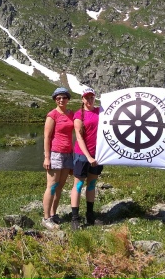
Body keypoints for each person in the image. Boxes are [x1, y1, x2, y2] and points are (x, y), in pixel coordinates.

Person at [70, 87, 103, 230]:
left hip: (98, 155)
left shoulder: (100, 111)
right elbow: (79, 138)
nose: (89, 100)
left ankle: (90, 215)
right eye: (86, 97)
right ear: (82, 99)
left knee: (92, 184)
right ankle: (75, 218)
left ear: (94, 98)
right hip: (82, 155)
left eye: (91, 97)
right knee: (78, 185)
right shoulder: (78, 115)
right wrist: (88, 157)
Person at [42, 87, 74, 230]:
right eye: (58, 98)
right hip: (55, 153)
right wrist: (47, 157)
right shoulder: (52, 115)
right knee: (52, 186)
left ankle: (53, 214)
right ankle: (46, 218)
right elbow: (47, 137)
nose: (61, 100)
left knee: (60, 186)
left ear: (68, 99)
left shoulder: (71, 114)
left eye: (64, 97)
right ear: (55, 100)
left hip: (68, 154)